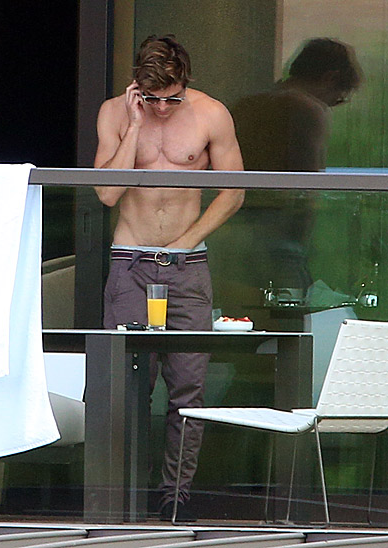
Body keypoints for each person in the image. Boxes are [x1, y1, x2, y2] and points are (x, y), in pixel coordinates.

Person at [94, 34, 244, 521]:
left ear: (186, 82)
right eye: (152, 97)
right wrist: (134, 127)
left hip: (187, 266)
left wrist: (185, 241)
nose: (162, 108)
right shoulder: (115, 113)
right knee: (126, 387)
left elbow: (235, 190)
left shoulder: (210, 113)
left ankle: (174, 497)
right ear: (137, 86)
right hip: (130, 261)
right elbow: (106, 194)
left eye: (172, 98)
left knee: (187, 389)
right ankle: (124, 498)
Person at [230, 38, 363, 295]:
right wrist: (304, 243)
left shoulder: (246, 106)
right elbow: (308, 183)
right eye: (337, 100)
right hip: (281, 234)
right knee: (290, 305)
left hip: (237, 229)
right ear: (329, 78)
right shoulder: (307, 109)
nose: (331, 106)